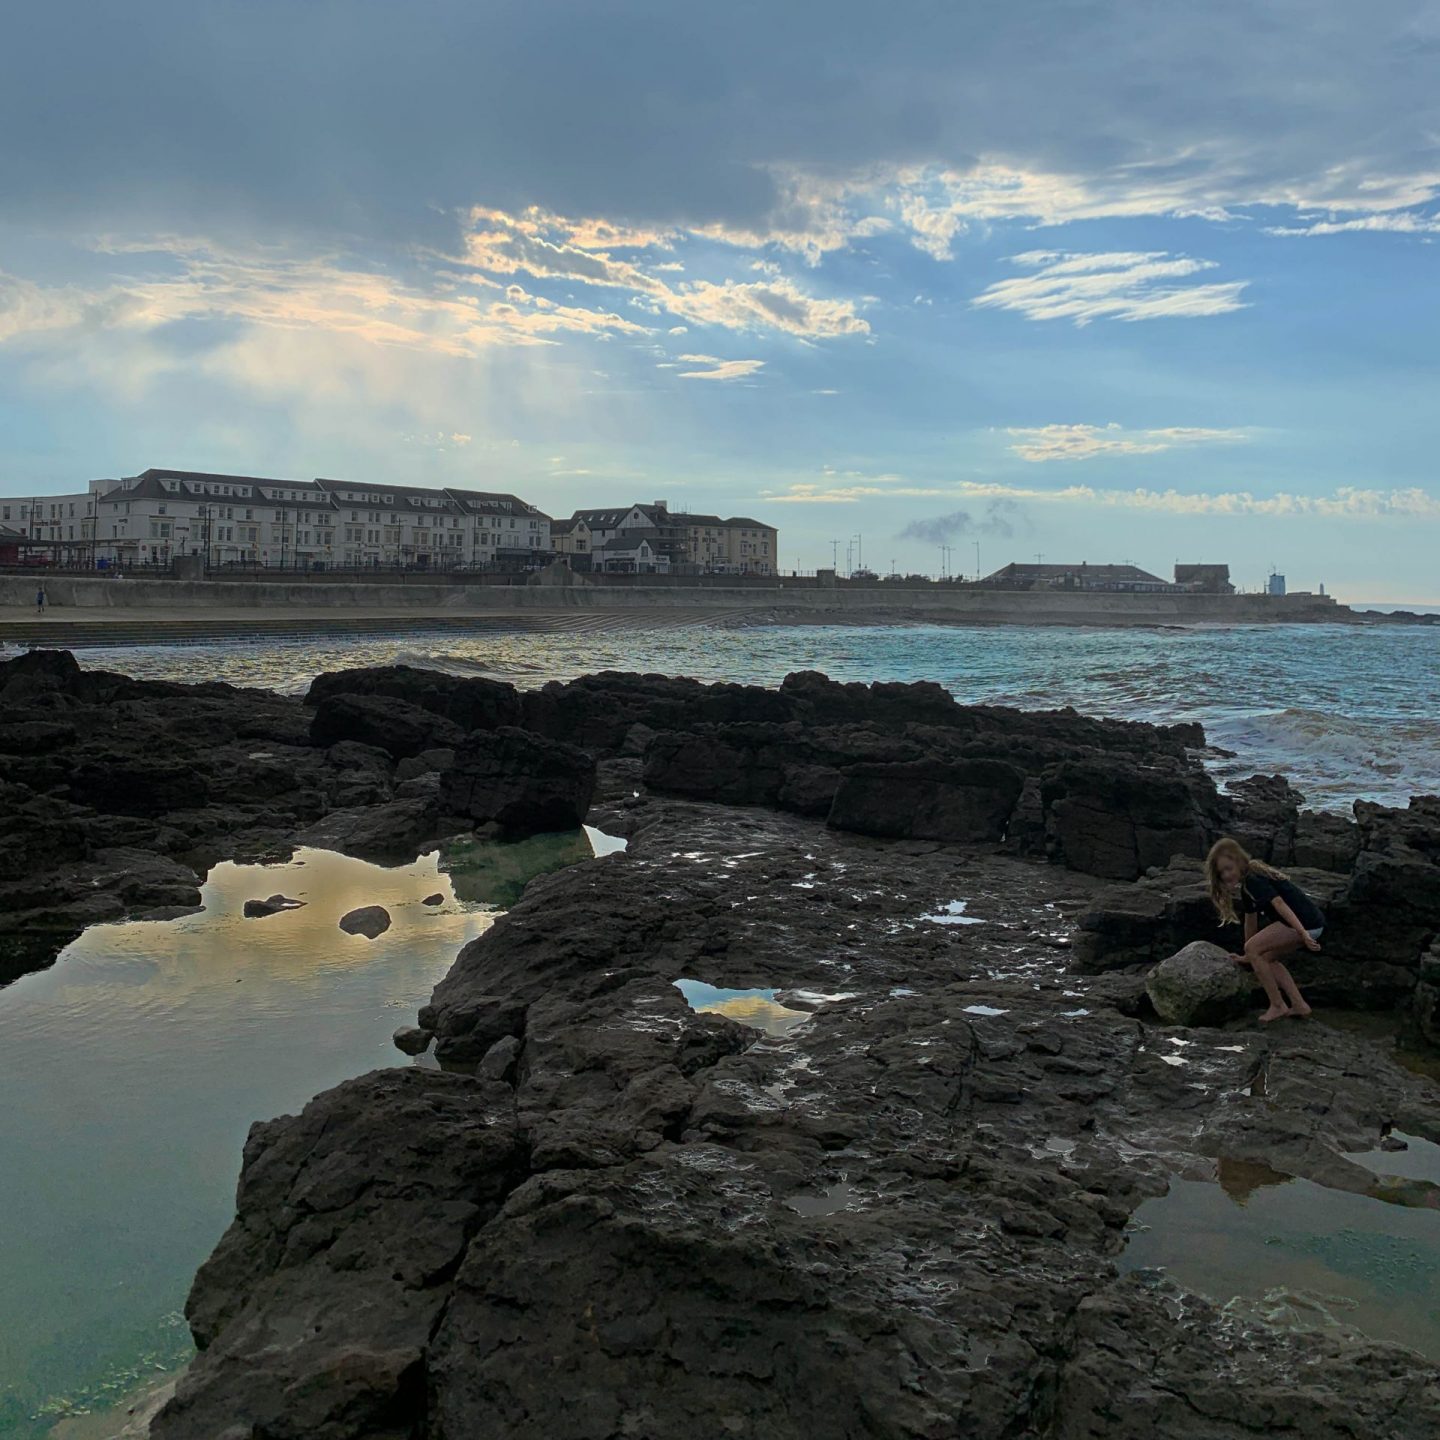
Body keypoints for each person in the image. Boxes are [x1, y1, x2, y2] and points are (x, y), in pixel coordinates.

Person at [1205, 837, 1324, 1023]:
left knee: (1255, 950)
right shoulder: (1247, 887)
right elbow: (1250, 920)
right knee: (1266, 957)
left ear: (1239, 861)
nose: (1226, 875)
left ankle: (1277, 1005)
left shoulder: (1253, 880)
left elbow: (1279, 903)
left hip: (1305, 924)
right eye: (1221, 873)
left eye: (1229, 868)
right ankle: (1299, 1004)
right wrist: (1247, 954)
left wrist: (1302, 933)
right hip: (1310, 922)